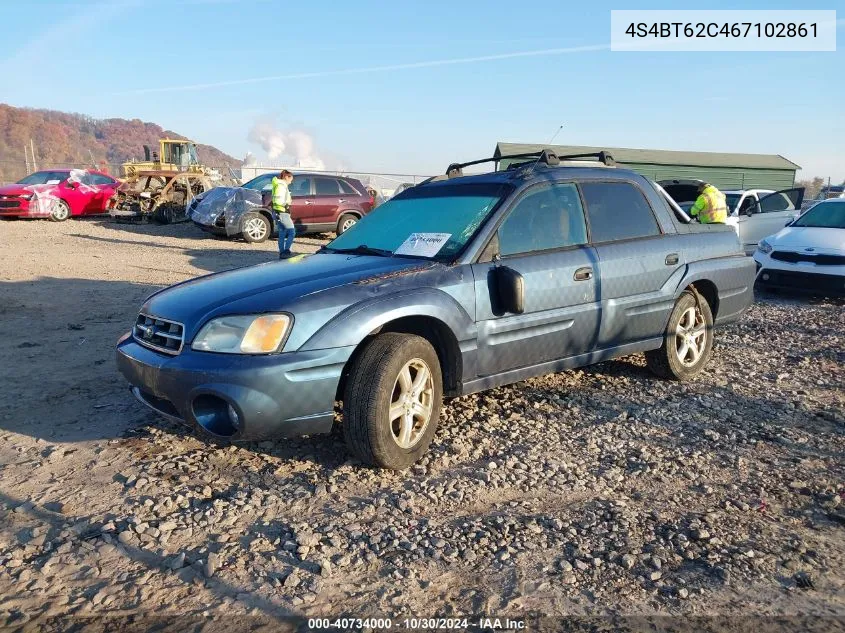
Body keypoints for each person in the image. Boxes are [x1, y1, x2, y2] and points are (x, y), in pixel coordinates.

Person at [271, 170, 295, 258]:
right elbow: (278, 200)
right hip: (282, 212)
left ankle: (282, 253)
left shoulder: (278, 184)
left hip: (277, 212)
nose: (291, 181)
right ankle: (286, 251)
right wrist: (286, 205)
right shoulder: (281, 186)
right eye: (290, 179)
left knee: (282, 232)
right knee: (292, 231)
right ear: (286, 177)